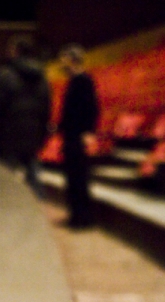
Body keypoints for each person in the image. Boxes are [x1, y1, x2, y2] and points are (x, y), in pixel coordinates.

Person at [0, 35, 50, 195]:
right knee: (34, 179)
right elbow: (46, 110)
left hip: (8, 137)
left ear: (15, 51)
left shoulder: (5, 75)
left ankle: (6, 209)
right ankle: (37, 208)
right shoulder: (42, 77)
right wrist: (42, 136)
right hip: (33, 136)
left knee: (4, 181)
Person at [58, 44, 99, 228]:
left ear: (73, 60)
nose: (61, 63)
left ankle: (83, 218)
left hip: (79, 136)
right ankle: (75, 216)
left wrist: (89, 132)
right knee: (72, 179)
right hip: (70, 136)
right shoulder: (73, 81)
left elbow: (92, 108)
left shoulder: (84, 80)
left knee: (79, 179)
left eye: (64, 59)